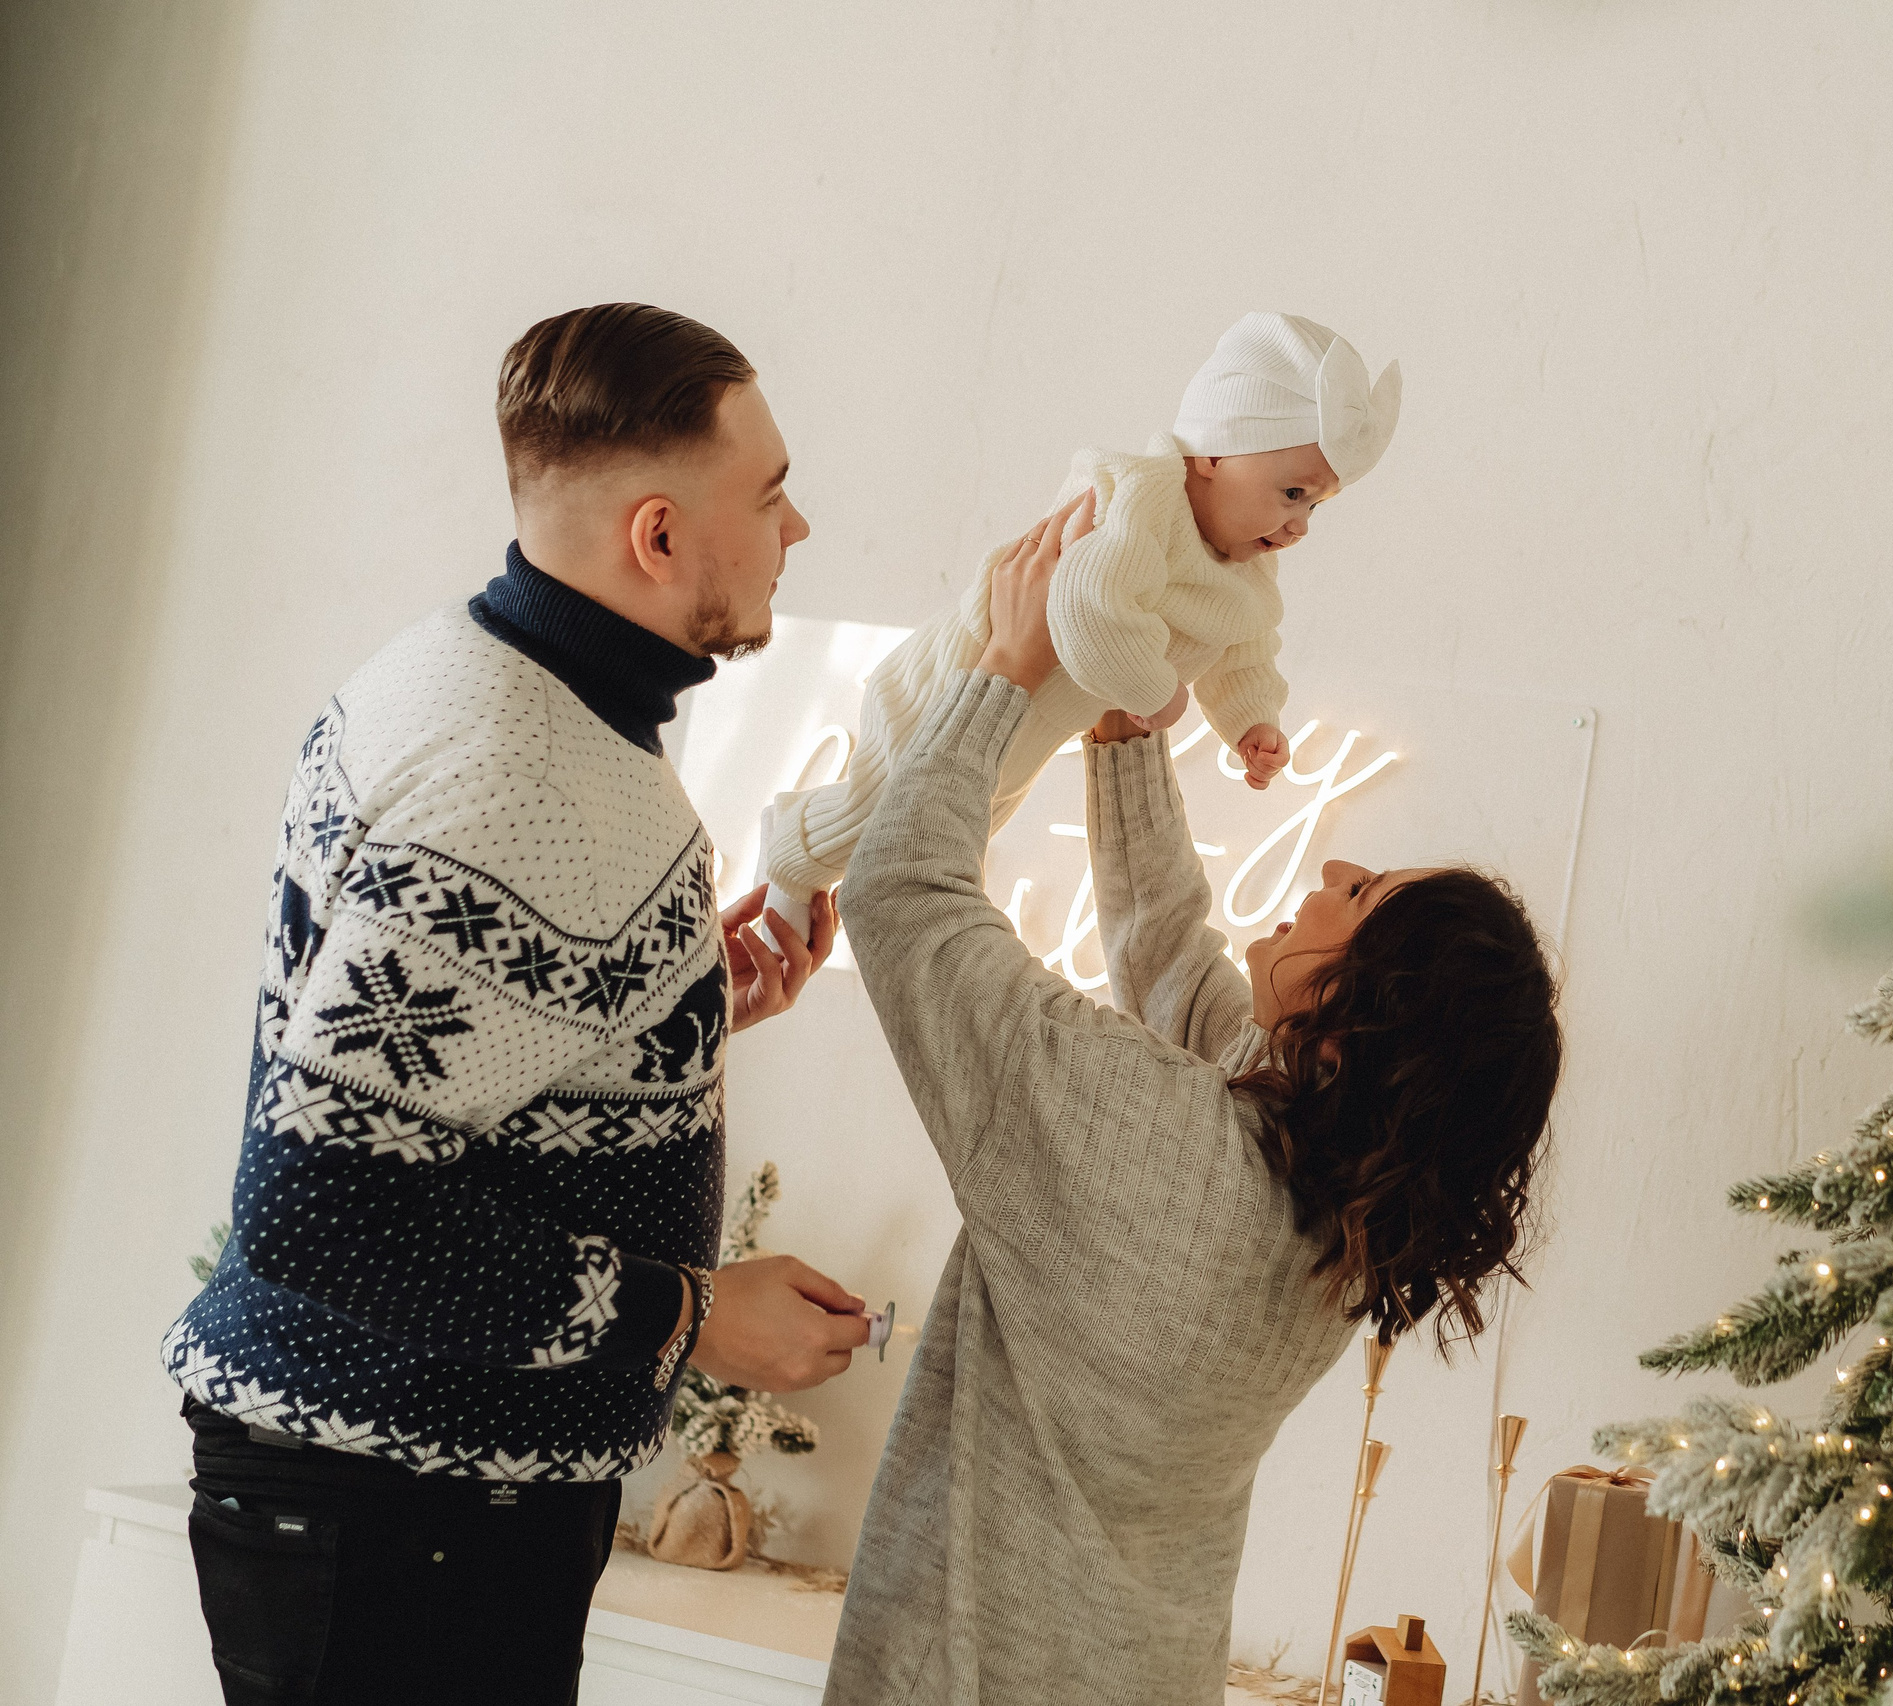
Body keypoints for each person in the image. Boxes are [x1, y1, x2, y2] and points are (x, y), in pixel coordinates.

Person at [162, 302, 871, 1706]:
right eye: (772, 492)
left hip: (397, 1498)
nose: (799, 529)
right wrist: (688, 1315)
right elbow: (322, 1201)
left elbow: (421, 1053)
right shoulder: (526, 778)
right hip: (403, 1514)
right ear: (659, 535)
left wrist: (673, 1012)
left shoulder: (449, 670)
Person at [823, 498, 1561, 1706]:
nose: (1326, 869)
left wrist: (1005, 670)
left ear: (1351, 1011)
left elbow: (902, 892)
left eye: (1360, 889)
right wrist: (1119, 724)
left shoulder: (1149, 1131)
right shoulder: (1332, 1214)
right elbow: (1175, 960)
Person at [755, 311, 1400, 939]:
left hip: (1026, 726)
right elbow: (1088, 607)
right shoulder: (1142, 500)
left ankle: (833, 884)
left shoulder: (1247, 570)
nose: (1300, 525)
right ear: (1214, 453)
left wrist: (1251, 721)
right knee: (886, 808)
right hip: (959, 685)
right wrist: (1157, 691)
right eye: (1292, 493)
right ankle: (790, 846)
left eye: (1317, 504)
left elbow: (1244, 650)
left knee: (964, 825)